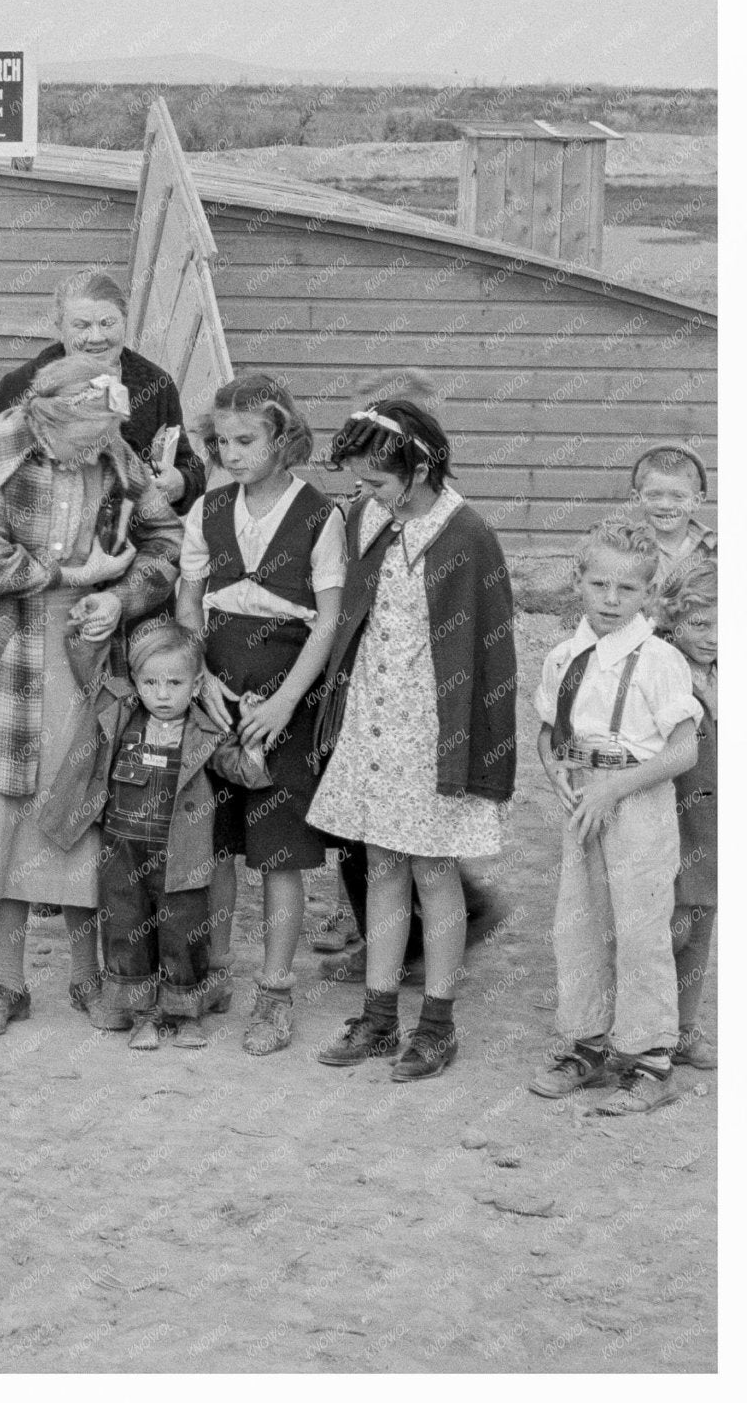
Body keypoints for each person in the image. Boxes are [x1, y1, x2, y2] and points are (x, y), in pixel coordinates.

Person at [0, 354, 184, 1037]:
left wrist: (118, 596)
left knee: (78, 809)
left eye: (104, 440)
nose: (95, 453)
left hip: (84, 657)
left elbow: (165, 538)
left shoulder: (113, 450)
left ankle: (86, 977)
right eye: (84, 441)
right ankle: (8, 985)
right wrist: (68, 571)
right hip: (7, 655)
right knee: (3, 821)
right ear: (50, 417)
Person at [305, 401, 517, 1085]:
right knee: (381, 867)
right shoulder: (369, 520)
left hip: (433, 737)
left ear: (420, 467)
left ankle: (437, 1024)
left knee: (432, 871)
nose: (365, 495)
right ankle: (377, 1016)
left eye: (378, 482)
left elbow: (492, 659)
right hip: (374, 723)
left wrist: (473, 754)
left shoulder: (467, 534)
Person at [177, 373, 345, 1056]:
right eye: (222, 442)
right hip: (217, 693)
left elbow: (330, 620)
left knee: (279, 855)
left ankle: (275, 994)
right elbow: (190, 603)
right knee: (214, 847)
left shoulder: (319, 515)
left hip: (285, 700)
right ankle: (215, 973)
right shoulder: (208, 511)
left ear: (283, 438)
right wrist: (200, 679)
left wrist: (282, 704)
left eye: (247, 440)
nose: (233, 453)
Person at [527, 518, 702, 1116]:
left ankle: (653, 1059)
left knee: (640, 930)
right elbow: (549, 735)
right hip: (582, 800)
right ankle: (587, 1045)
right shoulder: (563, 656)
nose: (610, 599)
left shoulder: (659, 661)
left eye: (626, 590)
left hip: (637, 801)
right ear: (578, 581)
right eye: (599, 584)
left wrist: (615, 790)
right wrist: (559, 777)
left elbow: (683, 750)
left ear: (648, 595)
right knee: (578, 926)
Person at [39, 620, 267, 1050]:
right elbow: (86, 661)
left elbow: (245, 773)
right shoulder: (122, 713)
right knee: (125, 928)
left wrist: (252, 737)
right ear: (135, 681)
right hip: (122, 850)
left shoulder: (205, 731)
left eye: (175, 682)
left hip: (180, 853)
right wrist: (89, 624)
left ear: (197, 683)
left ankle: (183, 1015)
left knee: (183, 931)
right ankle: (140, 1014)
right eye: (150, 682)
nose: (162, 694)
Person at [0, 269, 206, 512]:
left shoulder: (156, 384)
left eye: (107, 323)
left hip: (130, 534)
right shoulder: (22, 385)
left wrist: (182, 483)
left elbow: (188, 465)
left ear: (125, 320)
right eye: (82, 326)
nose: (96, 337)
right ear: (60, 327)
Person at [652, 552, 718, 1071]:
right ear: (673, 618)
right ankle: (646, 1026)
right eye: (700, 623)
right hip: (671, 814)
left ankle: (684, 1028)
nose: (714, 636)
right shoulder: (660, 666)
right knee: (667, 926)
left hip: (715, 823)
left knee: (701, 925)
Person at [627, 444, 715, 582]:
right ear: (637, 498)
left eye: (678, 496)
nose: (665, 505)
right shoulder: (624, 548)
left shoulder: (714, 549)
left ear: (696, 501)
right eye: (654, 495)